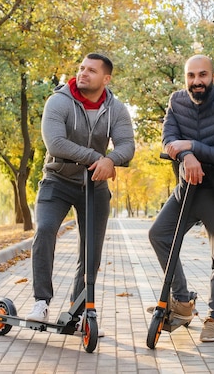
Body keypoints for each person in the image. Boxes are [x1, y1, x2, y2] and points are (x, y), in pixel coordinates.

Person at [148, 54, 214, 342]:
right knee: (159, 234)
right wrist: (187, 155)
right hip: (190, 185)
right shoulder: (176, 101)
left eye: (203, 75)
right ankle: (182, 303)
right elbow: (168, 140)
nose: (197, 81)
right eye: (191, 76)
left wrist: (191, 145)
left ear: (213, 77)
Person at [27, 53, 135, 331]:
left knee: (91, 252)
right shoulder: (59, 101)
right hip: (57, 180)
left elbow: (127, 146)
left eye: (91, 70)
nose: (83, 73)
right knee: (46, 229)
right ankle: (41, 301)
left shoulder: (117, 109)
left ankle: (79, 307)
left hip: (95, 186)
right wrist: (96, 157)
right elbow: (56, 144)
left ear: (106, 79)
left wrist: (109, 160)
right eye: (81, 68)